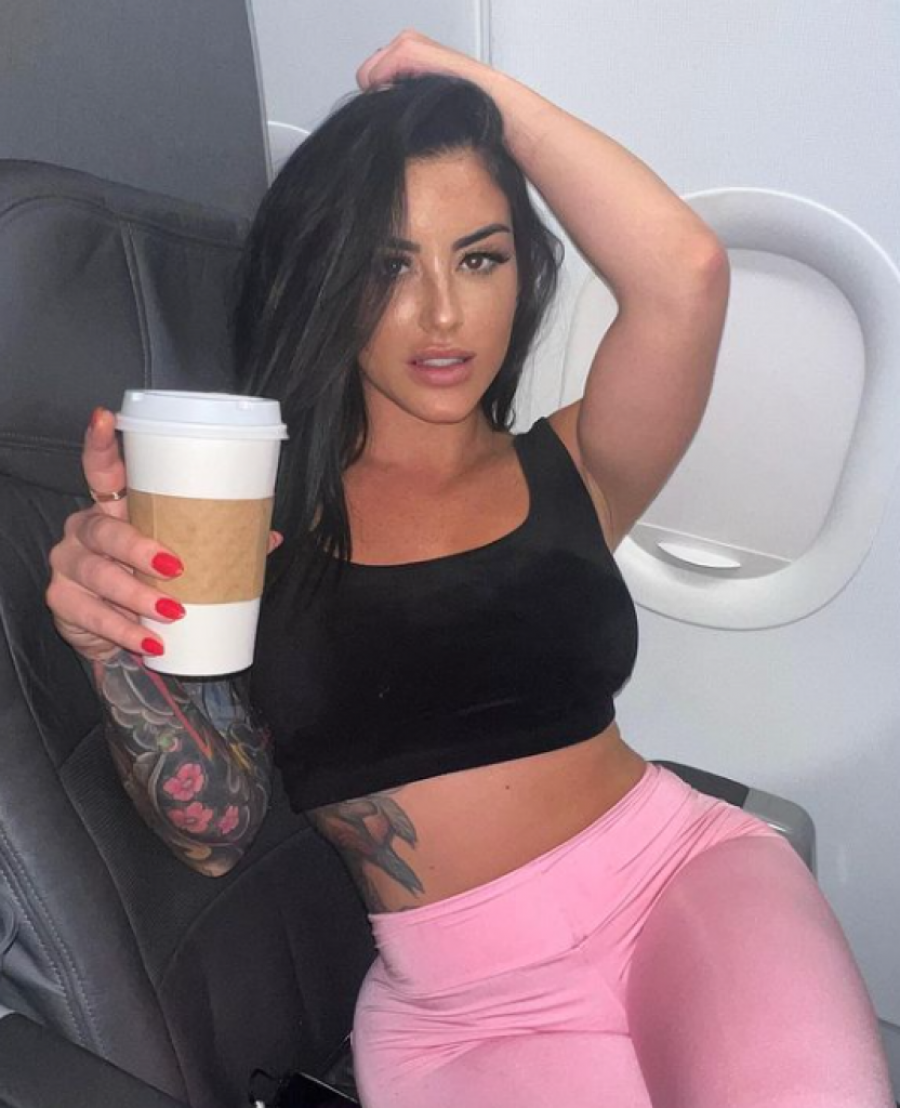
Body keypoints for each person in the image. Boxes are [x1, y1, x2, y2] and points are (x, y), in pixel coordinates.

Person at [45, 29, 893, 1108]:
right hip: (462, 1004)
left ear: (523, 274)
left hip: (680, 883)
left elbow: (686, 274)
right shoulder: (251, 519)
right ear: (328, 282)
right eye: (389, 265)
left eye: (480, 257)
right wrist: (115, 648)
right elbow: (214, 834)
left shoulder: (578, 465)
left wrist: (479, 97)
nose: (444, 313)